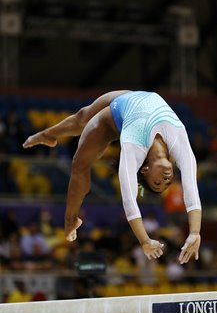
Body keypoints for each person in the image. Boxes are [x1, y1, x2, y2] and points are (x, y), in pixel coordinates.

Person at [23, 90, 201, 263]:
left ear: (144, 170)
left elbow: (129, 199)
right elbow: (191, 187)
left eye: (158, 183)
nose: (166, 179)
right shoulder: (179, 142)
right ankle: (46, 134)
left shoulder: (134, 149)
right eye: (166, 182)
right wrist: (194, 231)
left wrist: (146, 240)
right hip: (127, 97)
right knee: (81, 118)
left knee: (79, 163)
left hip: (112, 120)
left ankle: (70, 218)